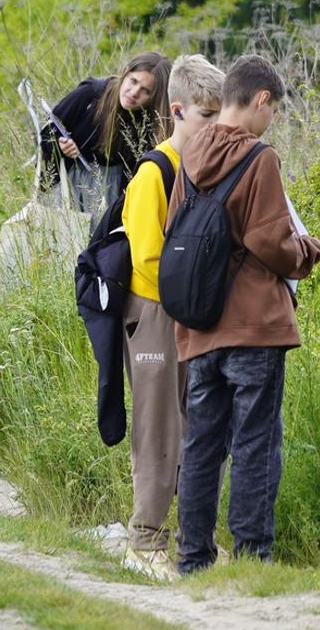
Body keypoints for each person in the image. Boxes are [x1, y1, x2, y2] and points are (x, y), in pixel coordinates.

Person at [172, 55, 320, 574]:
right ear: (261, 99)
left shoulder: (191, 153)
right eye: (275, 110)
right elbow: (268, 240)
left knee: (202, 446)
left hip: (199, 325)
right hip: (254, 326)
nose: (272, 121)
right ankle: (251, 559)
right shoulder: (260, 158)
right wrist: (306, 252)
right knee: (256, 443)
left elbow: (177, 228)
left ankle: (193, 559)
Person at [116, 54, 225, 581]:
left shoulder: (207, 168)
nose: (216, 126)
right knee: (158, 424)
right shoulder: (153, 172)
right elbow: (148, 258)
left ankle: (193, 542)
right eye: (207, 115)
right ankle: (143, 541)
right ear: (177, 111)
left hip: (195, 312)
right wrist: (196, 296)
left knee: (200, 424)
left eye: (220, 115)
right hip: (155, 312)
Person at [44, 53, 173, 213]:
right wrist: (60, 145)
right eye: (133, 81)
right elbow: (47, 133)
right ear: (125, 73)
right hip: (66, 188)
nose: (134, 92)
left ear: (155, 97)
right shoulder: (91, 94)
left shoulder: (151, 123)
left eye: (145, 90)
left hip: (111, 198)